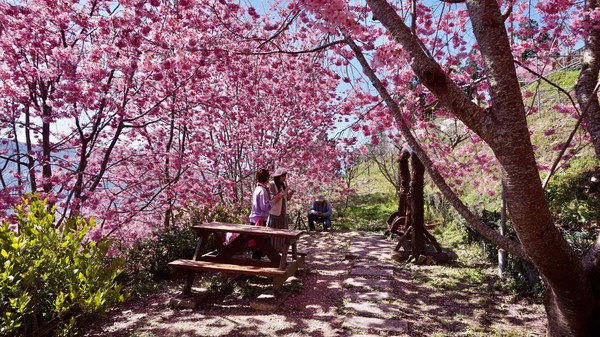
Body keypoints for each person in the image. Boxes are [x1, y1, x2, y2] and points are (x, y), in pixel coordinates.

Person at [249, 168, 285, 259]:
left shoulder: (258, 189)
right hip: (259, 220)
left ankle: (256, 262)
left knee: (257, 244)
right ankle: (273, 261)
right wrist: (275, 200)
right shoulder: (262, 191)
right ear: (267, 178)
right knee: (261, 243)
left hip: (255, 219)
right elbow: (264, 207)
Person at [267, 168, 295, 252]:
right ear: (278, 176)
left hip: (283, 212)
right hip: (275, 212)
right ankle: (273, 250)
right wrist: (284, 193)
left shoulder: (283, 185)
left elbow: (286, 199)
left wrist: (291, 193)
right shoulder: (272, 184)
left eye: (285, 176)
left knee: (283, 232)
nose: (284, 178)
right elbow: (274, 198)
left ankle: (282, 249)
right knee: (275, 232)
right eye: (283, 176)